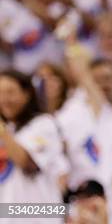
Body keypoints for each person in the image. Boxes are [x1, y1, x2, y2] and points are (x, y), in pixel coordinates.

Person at [0, 69, 68, 224]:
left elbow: (26, 163)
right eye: (0, 93)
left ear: (27, 94)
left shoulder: (44, 124)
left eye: (10, 92)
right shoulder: (7, 128)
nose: (4, 99)